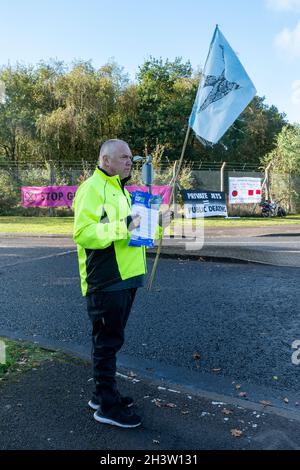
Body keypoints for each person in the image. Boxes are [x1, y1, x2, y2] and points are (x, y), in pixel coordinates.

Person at [73, 139, 149, 428]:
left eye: (131, 157)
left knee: (110, 342)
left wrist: (155, 224)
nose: (130, 162)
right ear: (105, 160)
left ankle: (102, 394)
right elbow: (83, 232)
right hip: (105, 280)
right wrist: (124, 226)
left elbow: (132, 229)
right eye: (124, 157)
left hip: (126, 278)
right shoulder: (91, 188)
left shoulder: (121, 190)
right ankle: (107, 406)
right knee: (107, 344)